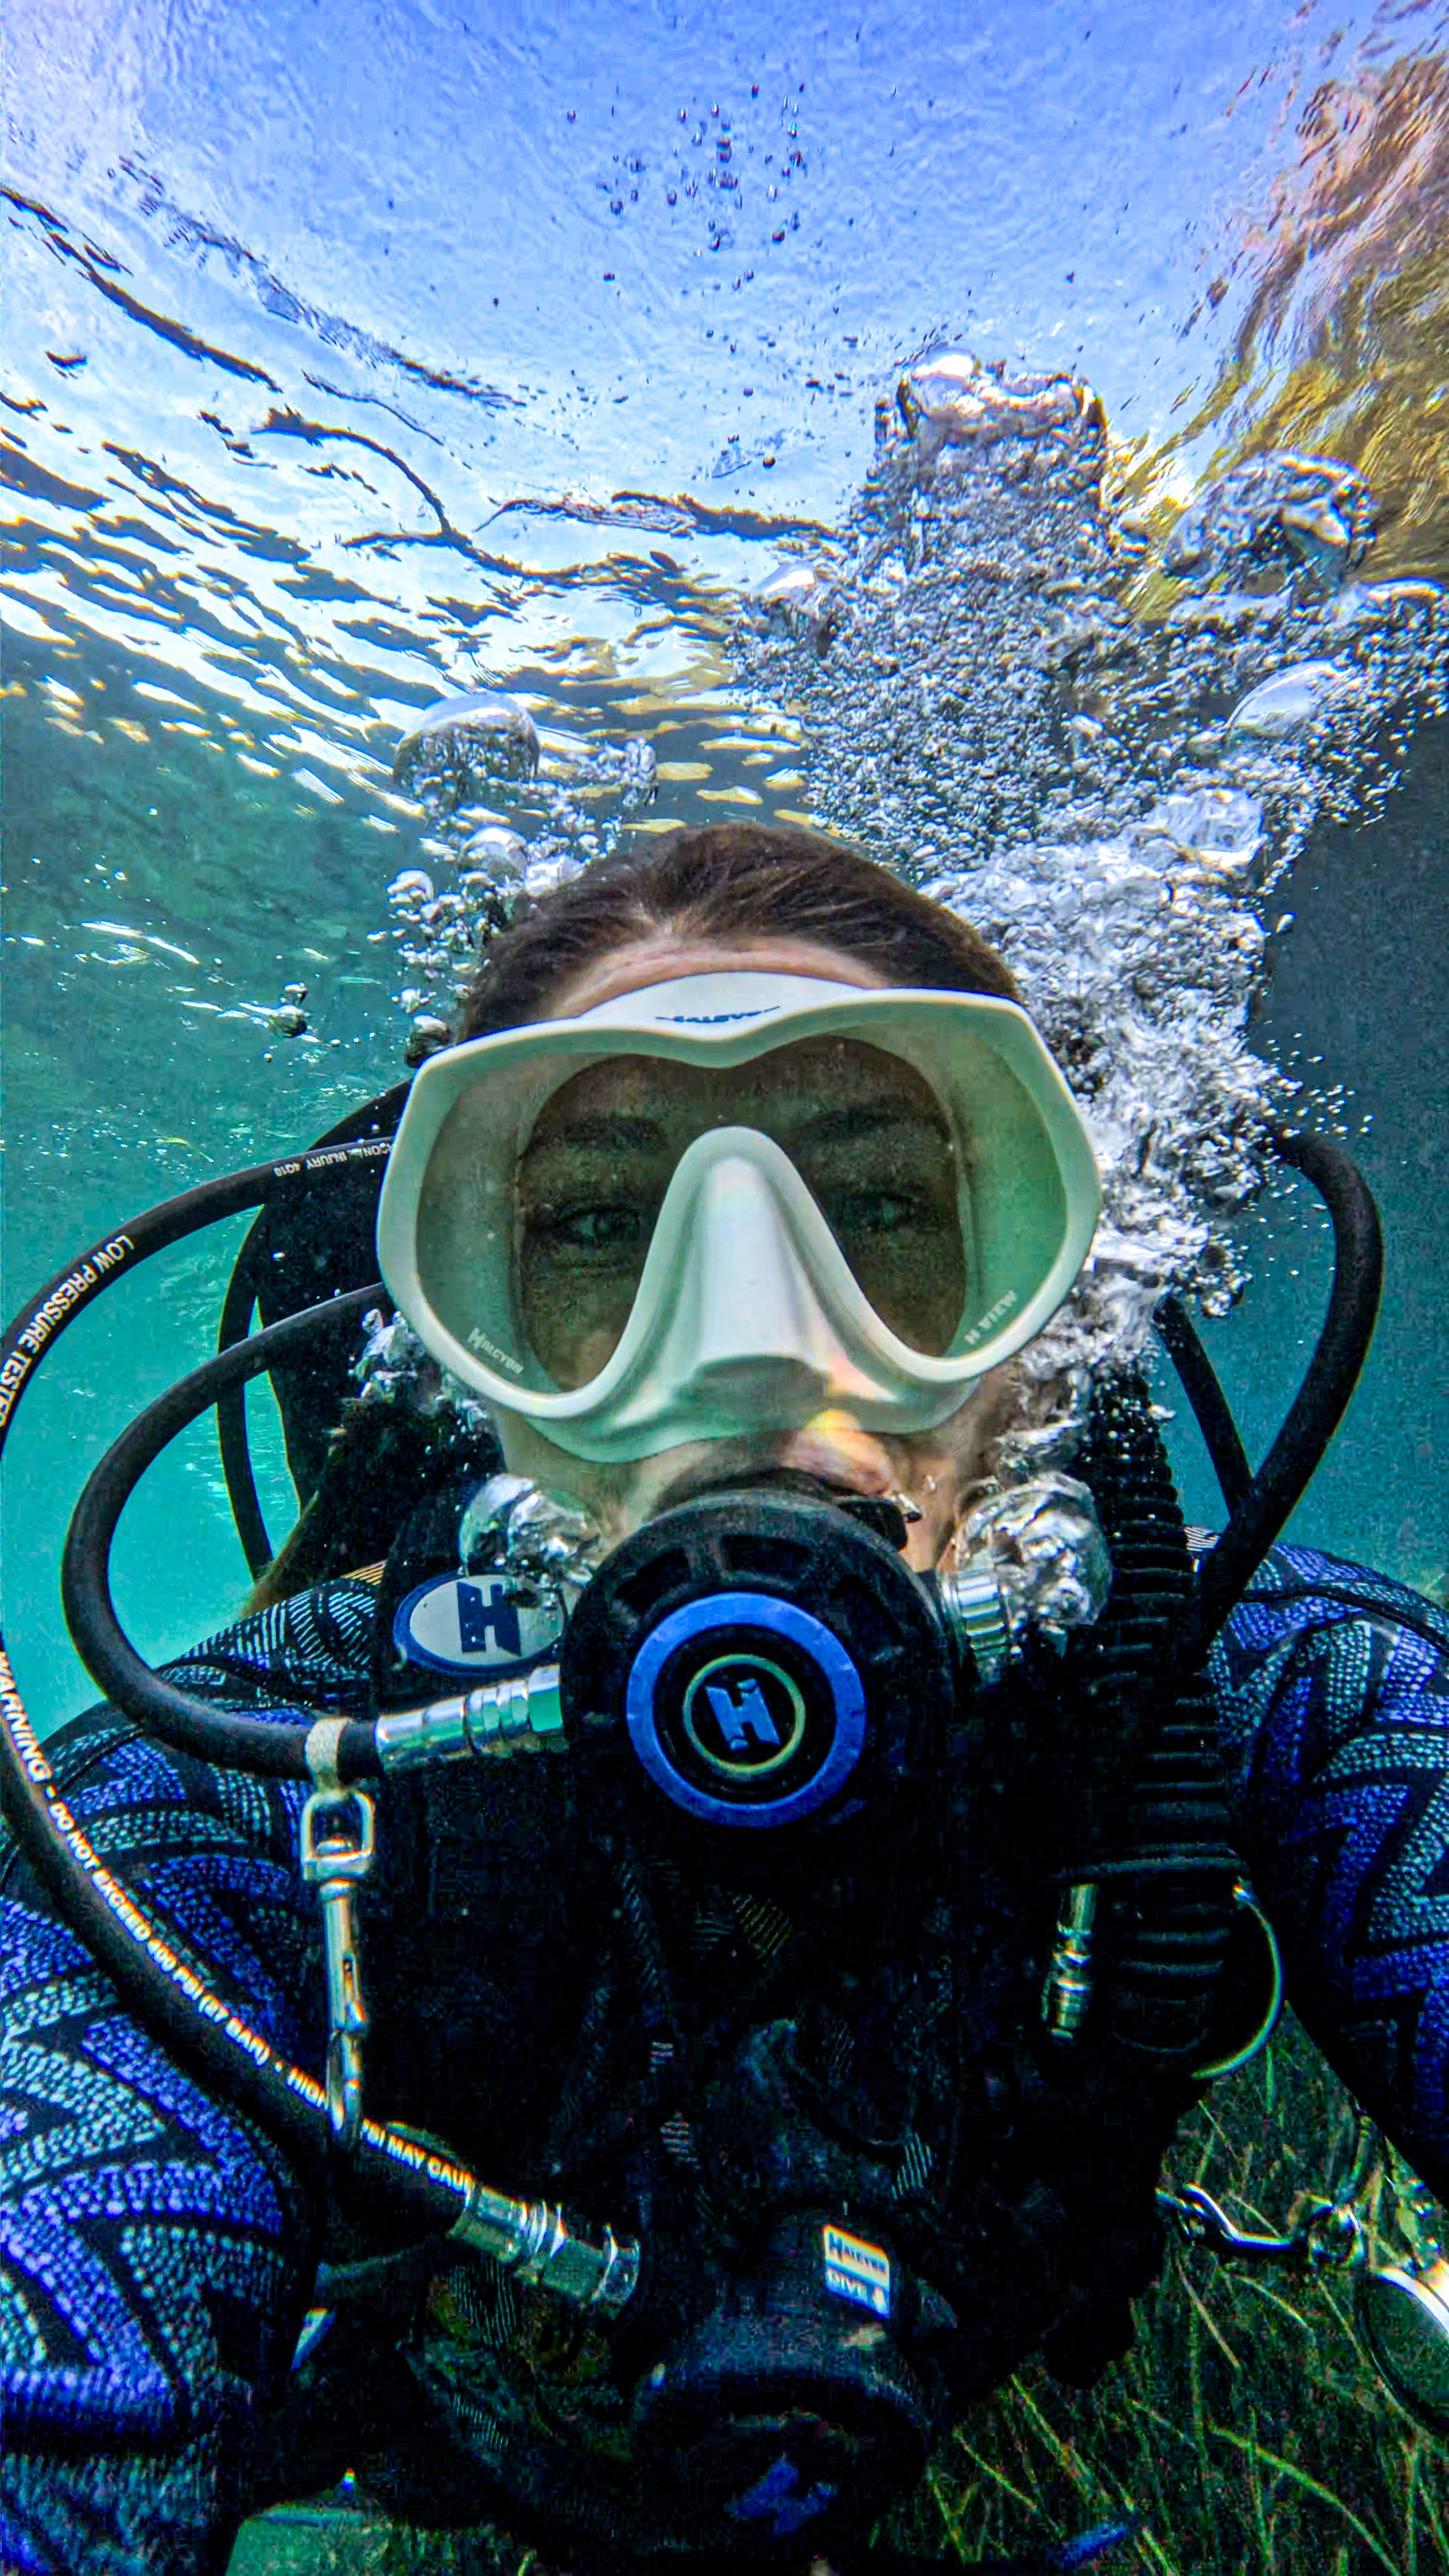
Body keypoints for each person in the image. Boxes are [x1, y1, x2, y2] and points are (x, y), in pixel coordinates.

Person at [2, 824, 1447, 2576]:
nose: (758, 1349)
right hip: (456, 2458)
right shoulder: (248, 1782)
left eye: (885, 1209)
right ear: (468, 1341)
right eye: (600, 1225)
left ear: (1050, 1313)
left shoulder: (1257, 1676)